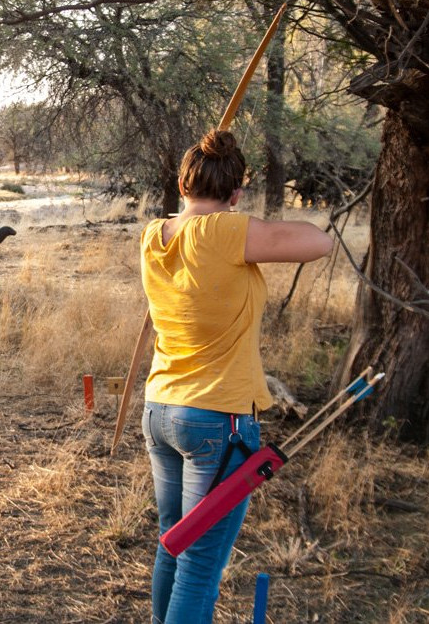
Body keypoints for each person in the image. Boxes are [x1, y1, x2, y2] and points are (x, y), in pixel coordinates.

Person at [140, 129, 333, 624]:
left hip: (161, 408)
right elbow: (319, 241)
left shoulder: (154, 235)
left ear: (182, 185)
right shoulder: (224, 232)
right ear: (236, 194)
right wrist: (237, 216)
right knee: (200, 563)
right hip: (215, 417)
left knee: (174, 543)